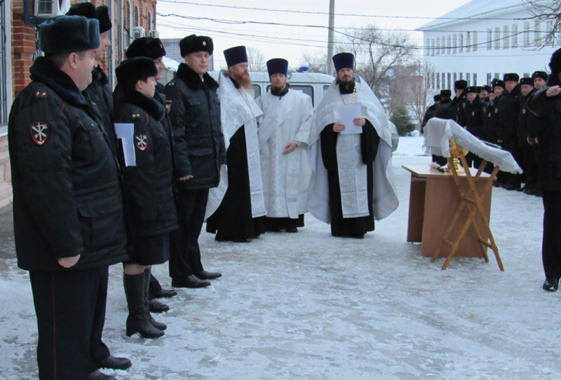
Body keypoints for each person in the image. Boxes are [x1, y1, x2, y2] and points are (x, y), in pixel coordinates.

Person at [8, 16, 128, 380]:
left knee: (81, 324)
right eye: (92, 56)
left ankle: (84, 367)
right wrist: (65, 243)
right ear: (73, 60)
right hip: (67, 245)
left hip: (89, 235)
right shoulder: (44, 104)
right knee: (63, 334)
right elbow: (46, 181)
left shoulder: (71, 100)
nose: (97, 62)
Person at [65, 3, 133, 376]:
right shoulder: (70, 89)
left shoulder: (98, 79)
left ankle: (95, 347)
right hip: (85, 204)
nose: (105, 46)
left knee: (99, 285)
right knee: (81, 294)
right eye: (101, 40)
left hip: (103, 199)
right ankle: (84, 354)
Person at [114, 57, 178, 338]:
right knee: (137, 258)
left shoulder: (146, 112)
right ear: (140, 84)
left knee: (147, 256)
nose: (156, 84)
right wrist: (144, 205)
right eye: (153, 80)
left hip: (156, 197)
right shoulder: (132, 115)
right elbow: (134, 165)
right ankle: (137, 316)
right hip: (144, 200)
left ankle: (143, 311)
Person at [308, 52, 398, 238]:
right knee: (338, 190)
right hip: (338, 154)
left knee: (362, 188)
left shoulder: (364, 93)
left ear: (353, 71)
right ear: (337, 73)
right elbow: (318, 126)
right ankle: (340, 227)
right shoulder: (330, 97)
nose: (346, 74)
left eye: (348, 70)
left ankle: (360, 227)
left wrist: (367, 124)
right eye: (342, 71)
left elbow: (379, 122)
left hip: (360, 154)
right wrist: (331, 128)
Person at [164, 35, 225, 288]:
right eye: (198, 56)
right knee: (183, 223)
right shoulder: (177, 89)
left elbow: (215, 127)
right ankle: (180, 272)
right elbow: (175, 132)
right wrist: (183, 168)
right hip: (189, 168)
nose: (203, 59)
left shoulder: (208, 87)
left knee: (196, 222)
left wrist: (220, 156)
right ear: (186, 58)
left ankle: (194, 266)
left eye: (207, 55)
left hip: (206, 165)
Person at [124, 37, 178, 307]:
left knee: (147, 250)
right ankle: (139, 307)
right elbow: (135, 162)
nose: (159, 71)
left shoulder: (149, 102)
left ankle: (147, 294)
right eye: (155, 64)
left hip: (155, 188)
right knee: (139, 251)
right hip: (144, 194)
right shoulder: (132, 111)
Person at [206, 46, 267, 242]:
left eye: (246, 66)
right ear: (231, 68)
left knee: (245, 189)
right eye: (242, 66)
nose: (245, 70)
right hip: (234, 150)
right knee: (234, 190)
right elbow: (224, 122)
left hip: (246, 148)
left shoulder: (240, 89)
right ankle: (231, 230)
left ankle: (250, 227)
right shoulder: (225, 91)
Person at [255, 58, 314, 233]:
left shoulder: (301, 100)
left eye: (281, 75)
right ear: (270, 78)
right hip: (269, 153)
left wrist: (297, 142)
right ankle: (271, 221)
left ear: (286, 77)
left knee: (291, 185)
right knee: (271, 184)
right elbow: (256, 126)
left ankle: (291, 222)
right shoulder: (261, 101)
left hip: (292, 151)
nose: (278, 79)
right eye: (274, 75)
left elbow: (309, 121)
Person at [527, 48, 561, 291]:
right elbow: (535, 105)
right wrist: (548, 95)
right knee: (554, 223)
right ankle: (553, 273)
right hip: (554, 170)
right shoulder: (548, 95)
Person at [497, 73, 522, 190]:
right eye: (507, 83)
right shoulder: (504, 95)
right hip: (505, 131)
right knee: (506, 156)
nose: (508, 85)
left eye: (511, 82)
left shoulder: (518, 95)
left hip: (514, 131)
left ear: (516, 83)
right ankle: (506, 178)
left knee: (515, 157)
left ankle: (515, 180)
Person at [517, 77, 535, 194]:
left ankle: (534, 184)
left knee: (533, 162)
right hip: (523, 135)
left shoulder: (534, 98)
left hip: (531, 135)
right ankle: (529, 183)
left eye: (526, 87)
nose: (524, 90)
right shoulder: (523, 100)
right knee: (527, 161)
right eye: (522, 87)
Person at [463, 86, 484, 168]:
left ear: (476, 94)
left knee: (477, 158)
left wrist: (480, 134)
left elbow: (483, 121)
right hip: (468, 133)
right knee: (467, 156)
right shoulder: (467, 105)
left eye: (471, 94)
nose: (470, 97)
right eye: (468, 95)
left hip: (477, 134)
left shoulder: (480, 105)